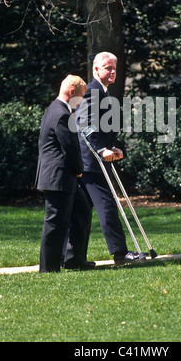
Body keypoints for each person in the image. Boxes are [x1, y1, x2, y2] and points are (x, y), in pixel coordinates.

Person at [77, 52, 139, 264]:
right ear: (96, 70)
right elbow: (85, 125)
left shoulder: (102, 93)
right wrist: (101, 150)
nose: (112, 72)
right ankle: (121, 254)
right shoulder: (91, 92)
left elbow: (101, 128)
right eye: (107, 68)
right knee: (107, 205)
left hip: (93, 159)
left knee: (81, 211)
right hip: (91, 162)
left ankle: (72, 258)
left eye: (114, 68)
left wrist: (111, 147)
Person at [35, 75, 94, 273]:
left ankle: (74, 259)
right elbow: (69, 148)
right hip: (58, 177)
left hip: (60, 176)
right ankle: (49, 268)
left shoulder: (53, 109)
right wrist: (79, 170)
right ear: (71, 93)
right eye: (80, 97)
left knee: (83, 210)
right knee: (55, 223)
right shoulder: (61, 114)